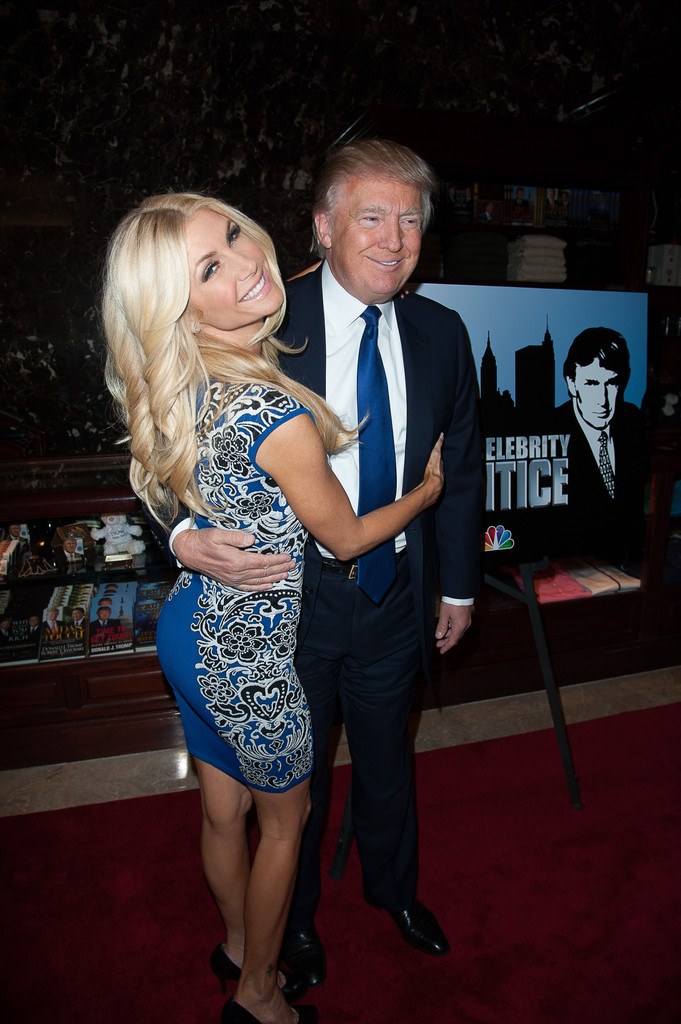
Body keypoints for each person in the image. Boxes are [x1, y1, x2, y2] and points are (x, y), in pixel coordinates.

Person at [102, 191, 445, 1024]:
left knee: (223, 811)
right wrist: (426, 491)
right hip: (247, 656)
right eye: (209, 268)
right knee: (285, 826)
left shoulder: (181, 379)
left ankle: (233, 944)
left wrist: (187, 536)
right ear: (176, 308)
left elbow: (157, 457)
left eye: (232, 235)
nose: (247, 262)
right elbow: (347, 537)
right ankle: (258, 994)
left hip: (187, 630)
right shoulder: (275, 413)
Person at [170, 139, 483, 986]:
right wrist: (180, 534)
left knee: (388, 758)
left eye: (409, 220)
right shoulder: (263, 321)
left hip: (395, 594)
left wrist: (458, 588)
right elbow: (168, 433)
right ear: (322, 227)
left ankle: (394, 891)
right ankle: (294, 924)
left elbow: (460, 468)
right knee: (291, 785)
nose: (393, 239)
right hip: (286, 599)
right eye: (371, 217)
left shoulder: (442, 331)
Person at [556, 327, 643, 561]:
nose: (603, 400)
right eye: (592, 383)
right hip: (569, 559)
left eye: (611, 383)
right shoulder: (550, 429)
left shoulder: (631, 419)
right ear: (572, 384)